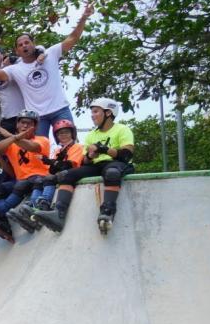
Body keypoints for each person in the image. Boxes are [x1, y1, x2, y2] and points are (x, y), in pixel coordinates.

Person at [0, 3, 95, 137]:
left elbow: (72, 38)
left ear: (34, 44)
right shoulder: (15, 69)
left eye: (27, 42)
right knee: (38, 152)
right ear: (17, 50)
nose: (24, 45)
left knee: (70, 145)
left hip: (60, 109)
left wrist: (83, 18)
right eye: (20, 45)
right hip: (37, 117)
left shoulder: (50, 54)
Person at [32, 98, 134, 234]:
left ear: (108, 113)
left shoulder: (122, 129)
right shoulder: (92, 135)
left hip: (117, 164)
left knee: (112, 173)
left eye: (96, 111)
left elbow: (127, 155)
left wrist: (104, 149)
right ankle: (59, 214)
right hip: (97, 165)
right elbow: (85, 162)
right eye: (92, 112)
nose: (92, 115)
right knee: (66, 175)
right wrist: (90, 156)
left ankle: (107, 212)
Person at [0, 110, 51, 239]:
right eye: (23, 122)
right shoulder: (11, 143)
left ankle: (32, 210)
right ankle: (1, 220)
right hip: (21, 180)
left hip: (39, 178)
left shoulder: (42, 140)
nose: (25, 126)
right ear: (17, 124)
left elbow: (32, 147)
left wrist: (12, 136)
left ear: (35, 127)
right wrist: (13, 138)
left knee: (30, 182)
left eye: (30, 124)